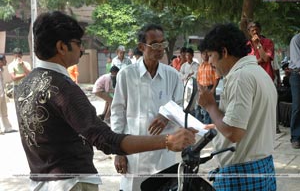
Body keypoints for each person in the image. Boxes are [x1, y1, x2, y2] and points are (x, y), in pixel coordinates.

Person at [14, 11, 197, 191]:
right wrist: (166, 141)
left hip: (41, 182)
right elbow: (105, 138)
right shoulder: (63, 88)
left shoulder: (25, 85)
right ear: (62, 47)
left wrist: (166, 120)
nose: (82, 49)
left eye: (162, 43)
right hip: (72, 183)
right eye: (78, 43)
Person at [198, 23, 277, 190]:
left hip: (242, 173)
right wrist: (211, 125)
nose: (210, 63)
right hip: (262, 167)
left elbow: (234, 132)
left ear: (224, 52)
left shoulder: (240, 77)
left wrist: (211, 106)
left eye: (211, 56)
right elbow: (250, 122)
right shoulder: (258, 73)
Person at [111, 24, 184, 191]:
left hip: (163, 155)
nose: (160, 49)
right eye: (155, 44)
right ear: (141, 46)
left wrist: (167, 116)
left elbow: (180, 108)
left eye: (163, 44)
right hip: (134, 155)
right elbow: (117, 113)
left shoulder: (172, 75)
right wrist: (118, 150)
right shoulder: (127, 74)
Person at [195, 49, 219, 124]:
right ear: (201, 55)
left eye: (206, 53)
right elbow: (198, 79)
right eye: (203, 54)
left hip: (209, 88)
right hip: (201, 88)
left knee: (208, 110)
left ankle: (208, 128)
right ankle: (199, 127)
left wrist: (213, 90)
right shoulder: (200, 66)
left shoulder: (212, 65)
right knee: (198, 109)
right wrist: (200, 89)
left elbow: (217, 78)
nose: (205, 55)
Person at [0, 54, 17, 135]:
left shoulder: (1, 69)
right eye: (4, 60)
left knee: (4, 112)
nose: (6, 61)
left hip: (2, 94)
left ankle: (8, 128)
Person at [288, 33, 300, 149]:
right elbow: (297, 61)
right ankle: (295, 137)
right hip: (297, 76)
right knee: (297, 106)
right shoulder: (297, 39)